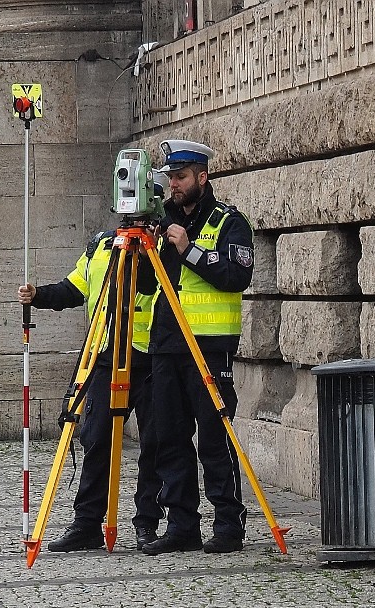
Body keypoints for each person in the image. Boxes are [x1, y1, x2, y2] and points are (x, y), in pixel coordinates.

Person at [18, 221, 162, 552]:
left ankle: (147, 523)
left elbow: (153, 286)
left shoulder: (161, 244)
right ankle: (87, 524)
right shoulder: (101, 244)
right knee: (95, 437)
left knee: (154, 443)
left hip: (152, 359)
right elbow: (73, 289)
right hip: (106, 355)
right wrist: (39, 295)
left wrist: (148, 245)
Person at [140, 139, 254, 555]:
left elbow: (236, 275)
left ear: (202, 177)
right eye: (170, 177)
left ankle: (228, 525)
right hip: (167, 347)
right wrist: (142, 252)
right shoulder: (162, 224)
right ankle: (181, 526)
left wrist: (189, 250)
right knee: (169, 438)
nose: (174, 185)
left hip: (209, 348)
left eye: (182, 177)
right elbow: (146, 286)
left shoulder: (228, 222)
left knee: (213, 438)